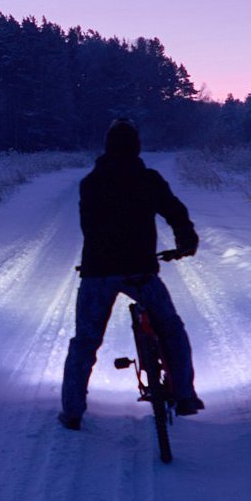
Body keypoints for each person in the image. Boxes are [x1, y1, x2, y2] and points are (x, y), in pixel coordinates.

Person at [59, 117, 204, 431]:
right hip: (140, 271)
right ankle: (184, 395)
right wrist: (186, 240)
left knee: (85, 341)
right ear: (136, 147)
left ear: (107, 148)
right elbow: (175, 212)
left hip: (98, 272)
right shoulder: (149, 180)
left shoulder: (91, 183)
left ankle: (72, 411)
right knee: (170, 329)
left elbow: (89, 228)